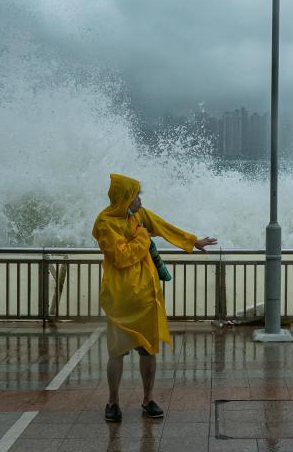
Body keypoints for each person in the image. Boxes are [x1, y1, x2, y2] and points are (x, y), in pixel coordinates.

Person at [92, 173, 217, 422]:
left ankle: (148, 399)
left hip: (147, 298)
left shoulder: (138, 215)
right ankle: (112, 402)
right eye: (136, 195)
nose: (140, 199)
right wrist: (141, 237)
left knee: (148, 351)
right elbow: (121, 257)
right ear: (125, 198)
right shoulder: (105, 223)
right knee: (116, 353)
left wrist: (191, 241)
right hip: (121, 301)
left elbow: (161, 225)